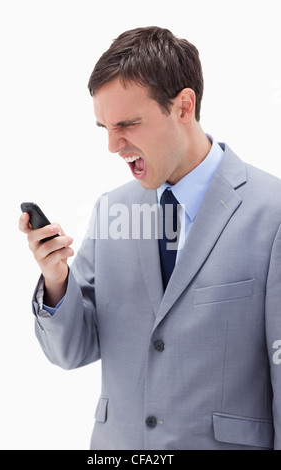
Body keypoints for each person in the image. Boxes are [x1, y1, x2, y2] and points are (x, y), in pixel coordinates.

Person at [19, 26, 281, 450]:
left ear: (183, 106)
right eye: (104, 126)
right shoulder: (112, 210)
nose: (112, 145)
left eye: (127, 124)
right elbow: (71, 351)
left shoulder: (272, 214)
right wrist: (56, 281)